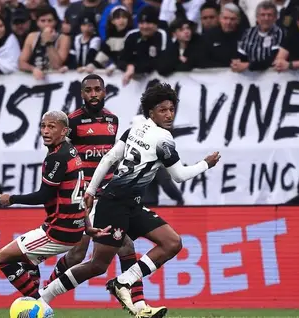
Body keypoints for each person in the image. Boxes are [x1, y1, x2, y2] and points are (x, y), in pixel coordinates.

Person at [36, 83, 221, 318]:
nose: (168, 115)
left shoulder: (137, 128)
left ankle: (124, 283)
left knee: (172, 242)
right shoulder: (164, 138)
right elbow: (179, 176)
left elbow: (110, 156)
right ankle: (44, 297)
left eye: (172, 110)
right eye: (162, 110)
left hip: (129, 203)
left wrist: (92, 191)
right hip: (114, 205)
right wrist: (206, 163)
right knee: (96, 265)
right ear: (151, 111)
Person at [44, 74, 165, 314]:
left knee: (126, 246)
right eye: (88, 90)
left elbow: (113, 156)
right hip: (84, 196)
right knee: (79, 253)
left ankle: (139, 305)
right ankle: (43, 295)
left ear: (105, 91)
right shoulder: (73, 122)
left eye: (97, 89)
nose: (93, 94)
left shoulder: (112, 120)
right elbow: (60, 155)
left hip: (109, 195)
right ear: (82, 94)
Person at [0, 110, 109, 306]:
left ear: (64, 131)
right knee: (27, 262)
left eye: (51, 127)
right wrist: (87, 226)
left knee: (3, 258)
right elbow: (81, 194)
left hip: (58, 231)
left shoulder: (57, 158)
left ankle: (39, 303)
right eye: (43, 126)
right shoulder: (71, 151)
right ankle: (37, 301)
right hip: (75, 227)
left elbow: (43, 195)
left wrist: (11, 199)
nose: (45, 131)